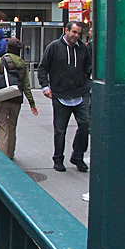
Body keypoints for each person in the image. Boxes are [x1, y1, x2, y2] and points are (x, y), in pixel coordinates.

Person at [37, 21, 92, 172]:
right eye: (74, 32)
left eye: (79, 33)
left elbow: (88, 67)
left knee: (85, 123)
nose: (76, 36)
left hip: (80, 93)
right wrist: (45, 86)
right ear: (66, 30)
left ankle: (77, 156)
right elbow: (42, 68)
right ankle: (58, 158)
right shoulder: (54, 47)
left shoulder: (83, 48)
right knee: (60, 129)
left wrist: (87, 85)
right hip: (60, 94)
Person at [0, 38, 38, 159]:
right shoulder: (22, 63)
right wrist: (32, 103)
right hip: (17, 98)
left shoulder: (1, 60)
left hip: (3, 98)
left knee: (2, 126)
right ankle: (10, 153)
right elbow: (26, 85)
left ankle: (2, 156)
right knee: (12, 126)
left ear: (8, 48)